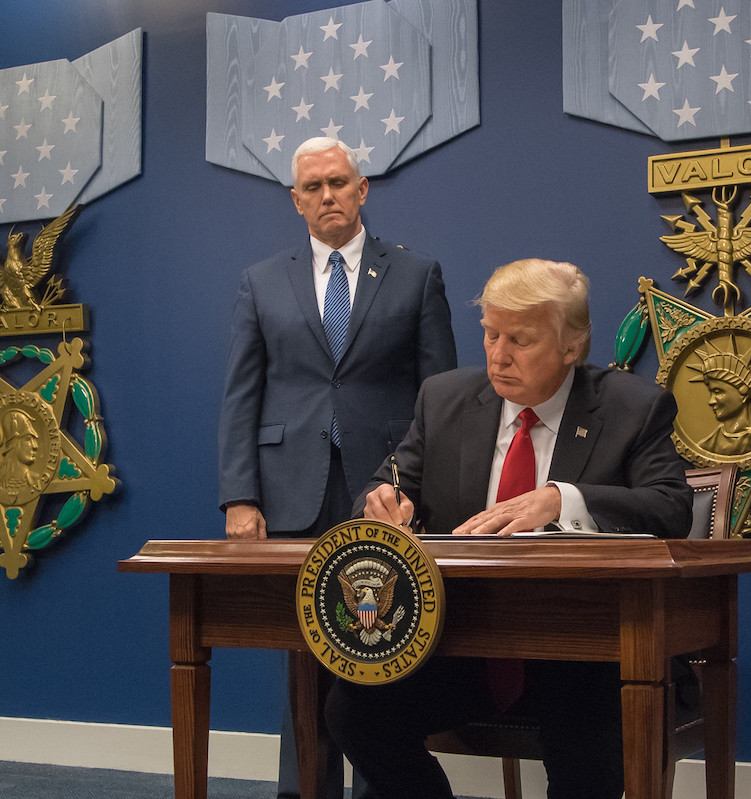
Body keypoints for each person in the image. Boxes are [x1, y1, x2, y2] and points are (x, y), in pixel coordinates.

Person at [325, 258, 693, 799]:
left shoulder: (632, 407)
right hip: (463, 643)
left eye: (520, 340)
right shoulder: (445, 399)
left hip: (582, 650)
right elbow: (388, 486)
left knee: (584, 736)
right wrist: (382, 504)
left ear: (572, 346)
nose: (499, 355)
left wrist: (563, 498)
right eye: (491, 334)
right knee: (355, 708)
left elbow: (670, 508)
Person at [217, 136, 457, 799]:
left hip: (385, 494)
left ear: (362, 189)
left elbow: (441, 401)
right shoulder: (261, 281)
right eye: (313, 187)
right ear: (296, 201)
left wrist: (414, 488)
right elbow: (241, 397)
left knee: (378, 651)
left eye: (338, 182)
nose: (327, 195)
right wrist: (240, 495)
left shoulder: (417, 275)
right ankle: (304, 791)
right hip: (289, 495)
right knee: (303, 660)